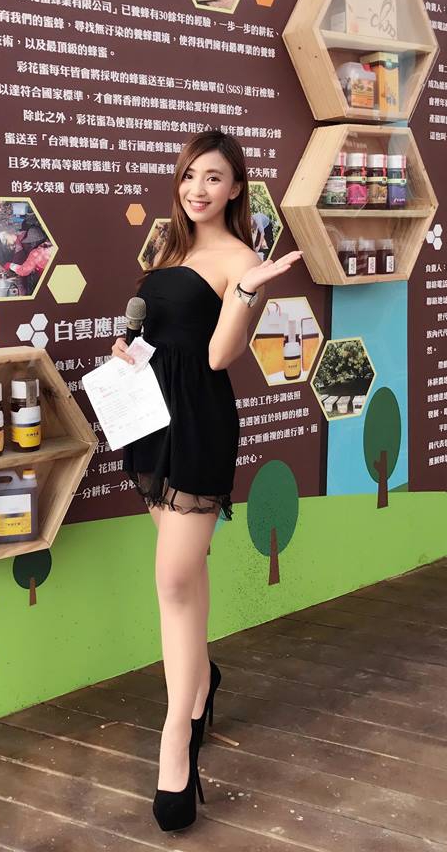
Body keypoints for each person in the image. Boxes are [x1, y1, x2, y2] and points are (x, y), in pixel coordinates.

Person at [111, 130, 302, 831]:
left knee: (172, 581)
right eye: (191, 175)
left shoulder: (240, 259)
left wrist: (248, 290)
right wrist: (129, 351)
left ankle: (176, 740)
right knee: (186, 579)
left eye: (214, 178)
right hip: (151, 419)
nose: (198, 188)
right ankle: (201, 684)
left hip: (198, 425)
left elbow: (220, 355)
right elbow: (160, 335)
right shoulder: (170, 247)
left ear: (235, 188)